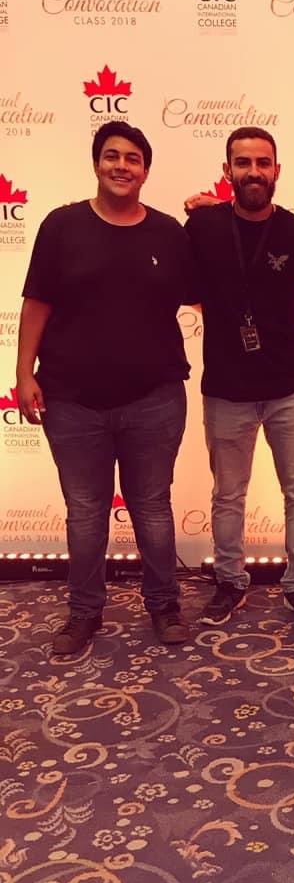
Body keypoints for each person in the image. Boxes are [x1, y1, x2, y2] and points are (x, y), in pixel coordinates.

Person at [16, 121, 193, 655]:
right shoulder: (61, 226)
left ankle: (164, 605)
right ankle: (84, 613)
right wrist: (24, 373)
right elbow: (37, 303)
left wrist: (213, 220)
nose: (122, 165)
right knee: (86, 513)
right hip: (72, 401)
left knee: (153, 509)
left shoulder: (169, 233)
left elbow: (205, 294)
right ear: (97, 164)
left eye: (133, 158)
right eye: (112, 156)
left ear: (146, 171)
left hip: (154, 399)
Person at [184, 127, 294, 627]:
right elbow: (188, 293)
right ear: (227, 171)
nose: (253, 172)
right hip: (227, 388)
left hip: (290, 386)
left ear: (277, 171)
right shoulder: (202, 227)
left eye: (262, 163)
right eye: (243, 163)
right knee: (228, 495)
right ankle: (229, 581)